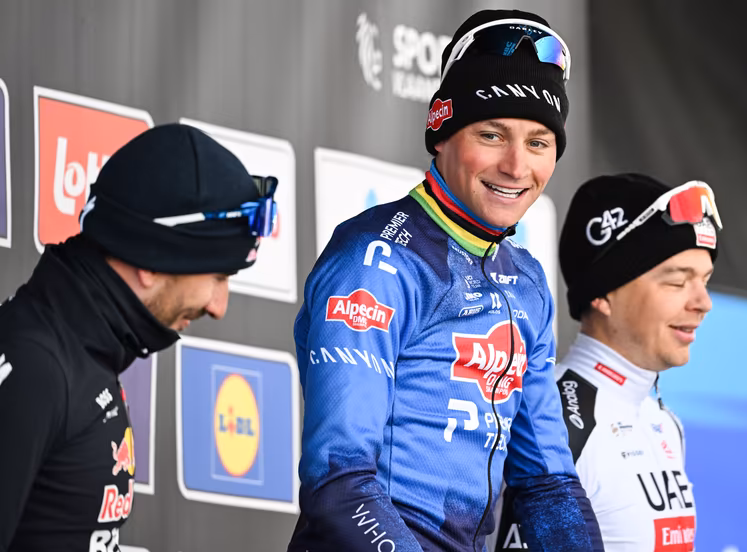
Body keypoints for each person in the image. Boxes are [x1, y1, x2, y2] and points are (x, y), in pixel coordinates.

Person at [289, 9, 602, 552]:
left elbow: (547, 485)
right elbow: (339, 484)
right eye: (491, 134)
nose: (515, 166)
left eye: (538, 143)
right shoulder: (375, 258)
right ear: (442, 132)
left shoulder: (526, 282)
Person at [0, 123, 278, 551]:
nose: (219, 306)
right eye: (218, 276)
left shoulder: (87, 352)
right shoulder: (35, 365)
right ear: (151, 259)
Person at [495, 173, 722, 551]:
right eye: (677, 282)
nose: (703, 302)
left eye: (705, 280)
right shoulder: (550, 420)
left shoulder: (665, 424)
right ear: (603, 293)